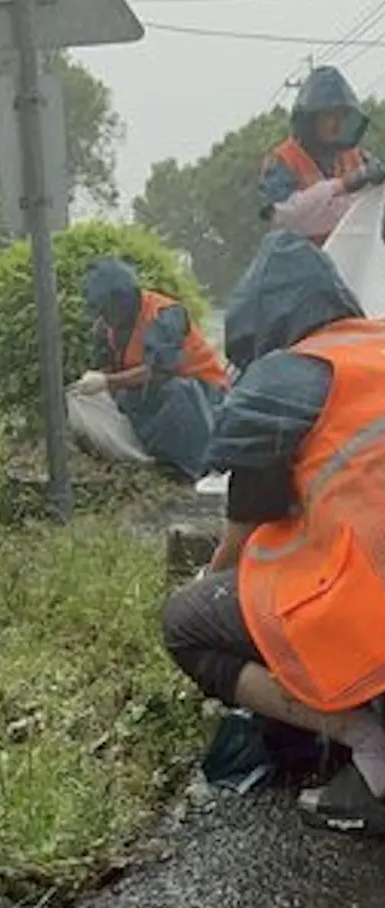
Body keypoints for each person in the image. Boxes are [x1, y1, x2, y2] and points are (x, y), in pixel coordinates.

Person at [162, 229, 385, 835]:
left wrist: (207, 587)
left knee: (187, 622)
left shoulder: (287, 378)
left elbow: (238, 544)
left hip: (374, 610)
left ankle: (368, 746)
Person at [71, 258, 229, 480]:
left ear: (124, 300)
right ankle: (148, 457)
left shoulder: (164, 315)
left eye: (106, 310)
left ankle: (190, 467)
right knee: (95, 400)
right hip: (150, 394)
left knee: (176, 391)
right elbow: (107, 369)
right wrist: (94, 383)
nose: (103, 317)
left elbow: (159, 372)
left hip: (204, 398)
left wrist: (107, 381)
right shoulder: (106, 327)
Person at [260, 65, 385, 247]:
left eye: (342, 115)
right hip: (301, 258)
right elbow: (283, 217)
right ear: (310, 118)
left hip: (354, 257)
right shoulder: (281, 160)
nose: (337, 123)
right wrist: (342, 185)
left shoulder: (358, 155)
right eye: (329, 115)